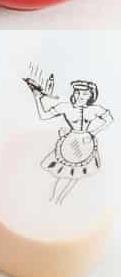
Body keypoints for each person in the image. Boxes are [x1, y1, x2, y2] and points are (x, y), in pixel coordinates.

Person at [24, 71, 114, 206]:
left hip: (86, 145)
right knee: (63, 175)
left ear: (91, 95)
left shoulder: (95, 109)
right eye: (77, 92)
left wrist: (93, 133)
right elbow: (44, 115)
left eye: (84, 94)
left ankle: (58, 201)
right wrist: (37, 98)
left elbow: (109, 119)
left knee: (75, 176)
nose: (80, 96)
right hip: (69, 144)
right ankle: (53, 200)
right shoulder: (66, 107)